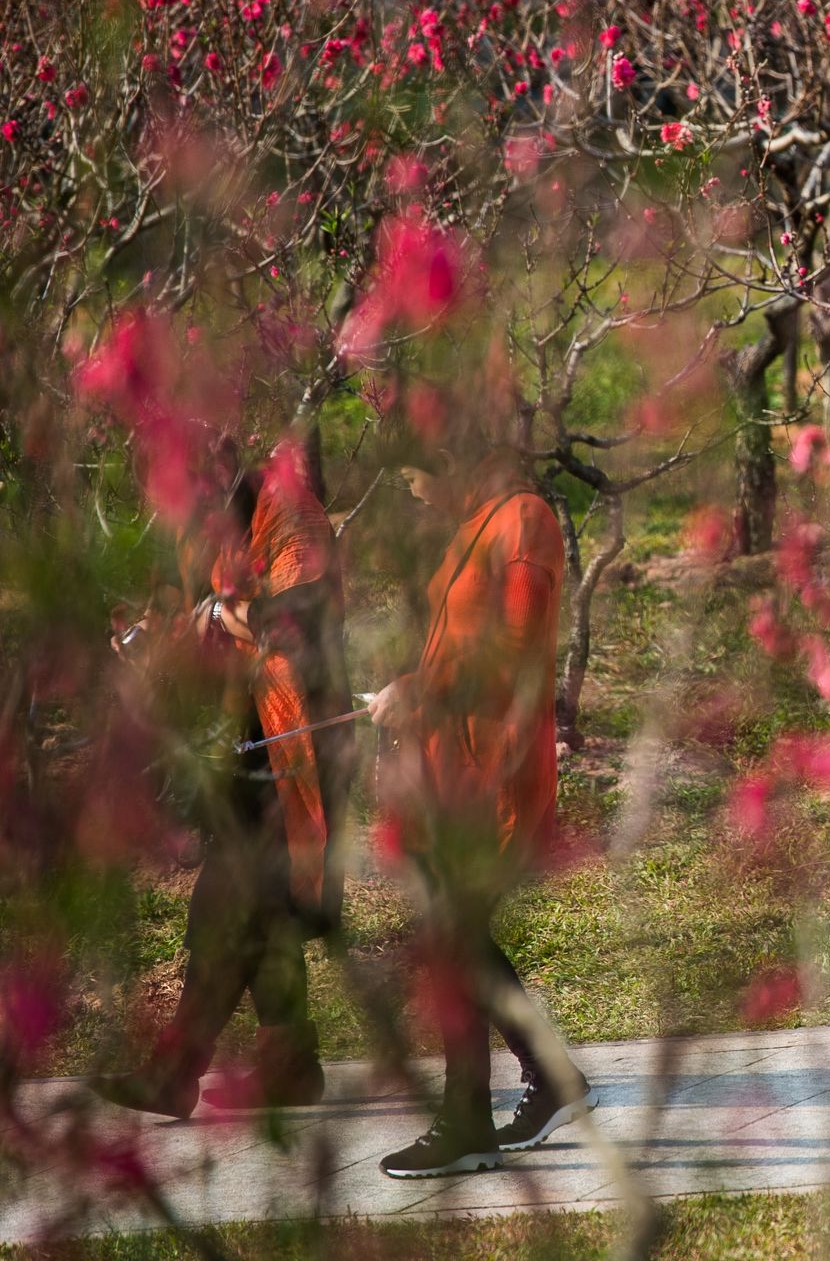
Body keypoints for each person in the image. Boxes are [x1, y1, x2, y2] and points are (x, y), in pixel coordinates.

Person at [90, 438, 352, 1119]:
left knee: (225, 905)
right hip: (245, 744)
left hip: (298, 744)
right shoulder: (222, 529)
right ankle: (291, 1063)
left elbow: (291, 625)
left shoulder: (292, 517)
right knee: (263, 917)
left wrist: (216, 616)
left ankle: (176, 1070)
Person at [367, 425, 591, 1177]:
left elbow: (517, 653)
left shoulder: (524, 519)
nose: (416, 491)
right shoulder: (470, 526)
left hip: (495, 771)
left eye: (417, 476)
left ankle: (467, 1118)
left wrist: (421, 690)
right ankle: (550, 1076)